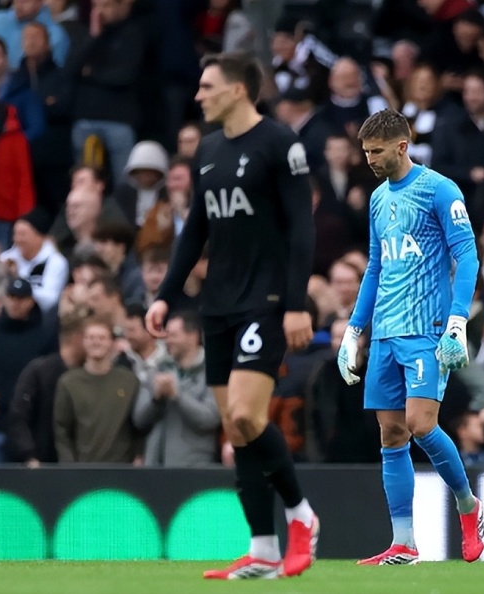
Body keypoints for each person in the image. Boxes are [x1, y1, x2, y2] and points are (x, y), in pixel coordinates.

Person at [144, 52, 318, 581]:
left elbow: (302, 228)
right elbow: (195, 230)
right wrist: (166, 296)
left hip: (265, 301)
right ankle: (262, 548)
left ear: (238, 90)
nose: (198, 96)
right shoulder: (209, 149)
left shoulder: (280, 143)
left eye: (207, 86)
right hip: (218, 302)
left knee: (245, 415)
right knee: (235, 430)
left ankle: (301, 515)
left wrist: (295, 303)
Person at [336, 109, 484, 566]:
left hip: (427, 329)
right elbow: (375, 267)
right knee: (391, 433)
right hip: (384, 332)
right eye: (365, 152)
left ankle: (467, 505)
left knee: (421, 424)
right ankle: (404, 542)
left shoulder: (440, 189)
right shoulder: (378, 199)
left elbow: (468, 255)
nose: (369, 160)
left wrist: (457, 322)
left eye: (376, 151)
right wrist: (354, 330)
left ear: (402, 146)